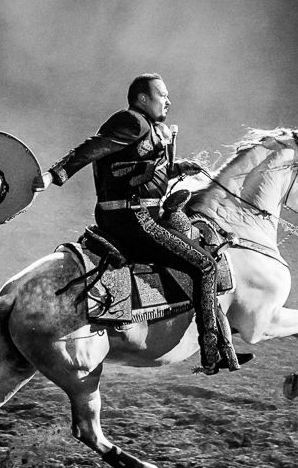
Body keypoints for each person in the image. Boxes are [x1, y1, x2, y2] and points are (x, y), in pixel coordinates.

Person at [33, 73, 253, 375]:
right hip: (134, 220)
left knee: (198, 247)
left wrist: (176, 169)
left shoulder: (146, 128)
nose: (169, 100)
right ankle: (211, 352)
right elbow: (90, 149)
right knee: (205, 266)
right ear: (143, 99)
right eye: (162, 95)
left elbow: (133, 171)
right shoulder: (132, 121)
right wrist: (53, 175)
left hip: (136, 214)